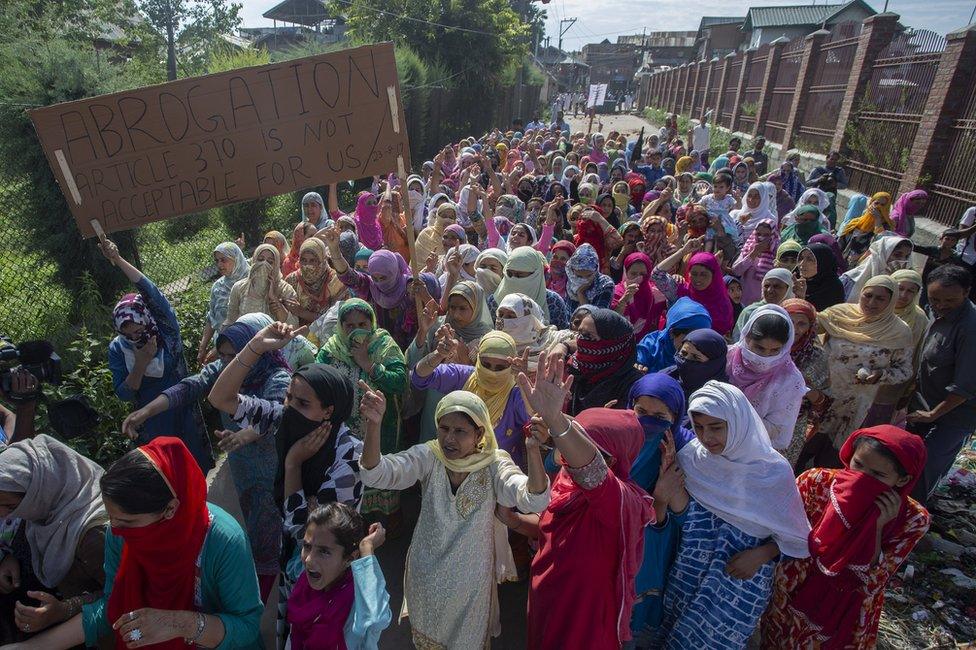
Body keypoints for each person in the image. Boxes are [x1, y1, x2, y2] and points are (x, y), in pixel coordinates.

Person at [5, 438, 263, 649]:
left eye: (128, 521)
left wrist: (182, 623)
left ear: (170, 509)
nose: (115, 530)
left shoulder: (222, 541)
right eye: (111, 518)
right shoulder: (122, 538)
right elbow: (113, 606)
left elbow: (247, 626)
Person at [207, 322, 364, 648]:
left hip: (329, 574)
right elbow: (220, 398)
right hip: (296, 563)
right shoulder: (283, 417)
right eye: (289, 398)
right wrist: (256, 347)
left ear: (328, 412)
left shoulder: (347, 456)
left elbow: (307, 531)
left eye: (302, 403)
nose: (290, 407)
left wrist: (292, 464)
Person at [359, 388, 550, 648]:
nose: (449, 438)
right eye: (443, 428)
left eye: (460, 431)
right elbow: (376, 474)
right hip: (426, 573)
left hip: (469, 584)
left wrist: (534, 450)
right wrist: (374, 424)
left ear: (479, 434)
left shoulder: (495, 464)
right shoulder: (429, 456)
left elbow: (534, 498)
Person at [122, 313, 289, 604]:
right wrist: (147, 411)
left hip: (271, 468)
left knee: (269, 532)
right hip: (243, 468)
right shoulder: (224, 371)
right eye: (223, 355)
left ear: (257, 351)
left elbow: (276, 416)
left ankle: (253, 606)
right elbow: (189, 387)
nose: (226, 363)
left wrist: (246, 435)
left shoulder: (278, 378)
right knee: (253, 525)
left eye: (234, 356)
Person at [652, 381, 810, 649]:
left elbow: (798, 538)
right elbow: (686, 513)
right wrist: (667, 484)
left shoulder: (772, 471)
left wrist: (761, 554)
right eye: (699, 427)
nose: (706, 437)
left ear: (738, 421)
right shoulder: (692, 457)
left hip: (737, 580)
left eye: (716, 427)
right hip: (688, 572)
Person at [521, 353, 655, 650]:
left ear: (614, 458)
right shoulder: (567, 481)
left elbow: (593, 472)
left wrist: (557, 422)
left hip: (583, 625)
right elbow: (547, 526)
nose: (572, 455)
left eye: (590, 448)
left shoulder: (622, 502)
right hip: (547, 604)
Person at [762, 426, 929, 649]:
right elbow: (781, 532)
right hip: (792, 586)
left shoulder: (911, 519)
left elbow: (875, 578)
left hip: (844, 605)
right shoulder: (817, 482)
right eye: (858, 465)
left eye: (878, 475)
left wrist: (876, 527)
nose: (861, 478)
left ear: (902, 479)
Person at [100, 236, 213, 473]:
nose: (134, 339)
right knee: (167, 474)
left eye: (139, 331)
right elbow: (123, 394)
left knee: (195, 469)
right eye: (127, 334)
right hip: (152, 421)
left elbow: (151, 292)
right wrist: (140, 364)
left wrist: (118, 259)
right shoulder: (118, 349)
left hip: (183, 411)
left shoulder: (167, 333)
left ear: (147, 321)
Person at [0, 436, 107, 641]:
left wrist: (63, 610)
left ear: (38, 492)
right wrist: (10, 558)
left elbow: (123, 596)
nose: (4, 515)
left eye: (10, 507)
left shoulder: (95, 535)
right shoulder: (44, 509)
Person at [807, 276, 913, 466]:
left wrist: (881, 375)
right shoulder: (839, 315)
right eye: (868, 295)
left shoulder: (898, 331)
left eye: (880, 299)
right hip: (822, 397)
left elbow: (905, 370)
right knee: (804, 447)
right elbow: (805, 326)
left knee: (833, 458)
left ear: (891, 301)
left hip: (855, 405)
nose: (871, 302)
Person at [316, 299, 407, 518]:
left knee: (380, 471)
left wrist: (368, 364)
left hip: (380, 425)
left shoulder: (384, 344)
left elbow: (401, 382)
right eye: (350, 326)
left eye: (363, 324)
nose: (356, 330)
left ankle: (387, 522)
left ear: (371, 323)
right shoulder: (332, 349)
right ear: (341, 326)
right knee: (349, 476)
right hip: (344, 430)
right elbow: (316, 381)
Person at [625, 373, 694, 644]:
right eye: (641, 411)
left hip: (656, 543)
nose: (648, 421)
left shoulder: (686, 449)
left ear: (675, 416)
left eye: (660, 416)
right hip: (615, 533)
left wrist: (663, 496)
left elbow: (688, 517)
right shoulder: (617, 435)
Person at [412, 330, 533, 469]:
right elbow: (419, 378)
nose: (492, 373)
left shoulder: (516, 393)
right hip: (455, 469)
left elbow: (534, 419)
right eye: (486, 365)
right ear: (478, 359)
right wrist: (438, 355)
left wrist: (524, 384)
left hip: (498, 474)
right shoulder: (465, 377)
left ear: (511, 366)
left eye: (500, 368)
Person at [908, 265, 976, 503]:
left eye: (950, 300)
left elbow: (965, 386)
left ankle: (909, 525)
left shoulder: (970, 328)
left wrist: (933, 415)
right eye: (935, 299)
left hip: (953, 415)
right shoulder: (936, 312)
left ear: (966, 293)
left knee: (925, 470)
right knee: (905, 464)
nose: (940, 305)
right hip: (926, 403)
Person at [286, 504, 391, 650]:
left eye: (324, 551)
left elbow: (376, 617)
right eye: (307, 546)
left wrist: (367, 548)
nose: (308, 559)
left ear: (349, 558)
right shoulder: (304, 584)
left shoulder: (357, 601)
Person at [726, 305, 806, 451]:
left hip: (751, 451)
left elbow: (777, 429)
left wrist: (730, 422)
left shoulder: (789, 380)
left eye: (775, 350)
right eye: (759, 348)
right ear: (746, 337)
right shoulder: (726, 357)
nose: (766, 357)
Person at [864, 269, 930, 428]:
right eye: (900, 288)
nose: (904, 295)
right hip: (858, 379)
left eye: (910, 291)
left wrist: (907, 390)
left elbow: (916, 356)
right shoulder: (873, 307)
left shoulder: (920, 319)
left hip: (889, 386)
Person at [780, 299, 831, 467]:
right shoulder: (767, 346)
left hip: (793, 425)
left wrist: (807, 390)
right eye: (789, 321)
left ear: (811, 326)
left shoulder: (817, 356)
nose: (794, 329)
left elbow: (824, 401)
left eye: (801, 324)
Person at [568, 308, 643, 415]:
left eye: (588, 336)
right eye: (580, 333)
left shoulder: (632, 385)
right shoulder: (575, 368)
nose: (581, 340)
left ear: (614, 344)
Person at [652, 246, 734, 336]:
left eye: (703, 275)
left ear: (714, 275)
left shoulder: (723, 303)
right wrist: (682, 252)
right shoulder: (680, 292)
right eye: (694, 274)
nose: (698, 279)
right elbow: (657, 274)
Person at [489, 247, 570, 330]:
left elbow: (563, 335)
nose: (513, 279)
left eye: (519, 275)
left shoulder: (553, 302)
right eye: (509, 274)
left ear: (536, 275)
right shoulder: (494, 301)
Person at [494, 293, 573, 373]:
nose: (503, 320)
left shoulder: (551, 339)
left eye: (510, 316)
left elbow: (580, 339)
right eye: (500, 314)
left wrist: (564, 346)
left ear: (529, 321)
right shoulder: (492, 344)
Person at [225, 244, 299, 327]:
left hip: (275, 338)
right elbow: (230, 320)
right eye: (260, 260)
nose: (264, 264)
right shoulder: (239, 287)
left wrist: (274, 299)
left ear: (276, 265)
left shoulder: (285, 290)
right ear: (254, 261)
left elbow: (294, 326)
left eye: (270, 262)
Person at [199, 242, 250, 364]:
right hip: (220, 347)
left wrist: (218, 349)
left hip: (245, 345)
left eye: (223, 260)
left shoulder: (250, 282)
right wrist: (202, 347)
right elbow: (212, 318)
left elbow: (245, 321)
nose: (219, 264)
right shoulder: (218, 286)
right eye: (217, 261)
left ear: (236, 258)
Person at [636, 297, 712, 374]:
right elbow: (637, 365)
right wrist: (638, 370)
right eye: (690, 338)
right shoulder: (650, 346)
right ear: (672, 333)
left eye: (702, 337)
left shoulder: (708, 354)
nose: (697, 344)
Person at [612, 251, 667, 340]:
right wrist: (624, 300)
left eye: (642, 274)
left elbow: (672, 298)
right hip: (619, 343)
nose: (638, 278)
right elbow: (612, 320)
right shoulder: (617, 292)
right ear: (626, 272)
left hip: (644, 344)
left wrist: (677, 278)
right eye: (633, 274)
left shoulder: (655, 293)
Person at [841, 235, 913, 302]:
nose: (902, 260)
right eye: (897, 255)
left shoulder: (903, 286)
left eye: (906, 257)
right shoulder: (852, 279)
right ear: (882, 255)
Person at [733, 267, 796, 338]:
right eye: (766, 286)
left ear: (789, 289)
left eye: (777, 286)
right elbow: (738, 339)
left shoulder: (795, 313)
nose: (770, 290)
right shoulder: (750, 312)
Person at [732, 219, 779, 306]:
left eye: (766, 235)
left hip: (767, 303)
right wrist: (754, 253)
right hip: (745, 303)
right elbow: (736, 271)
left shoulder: (776, 253)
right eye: (758, 234)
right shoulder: (748, 250)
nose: (761, 238)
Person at [565, 243, 615, 311]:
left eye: (589, 275)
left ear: (596, 270)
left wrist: (581, 294)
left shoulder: (605, 284)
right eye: (579, 276)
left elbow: (597, 317)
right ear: (572, 271)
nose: (584, 280)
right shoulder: (570, 279)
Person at [796, 243, 845, 311]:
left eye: (810, 259)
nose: (802, 263)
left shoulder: (833, 288)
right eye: (801, 258)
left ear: (823, 263)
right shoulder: (795, 282)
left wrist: (802, 300)